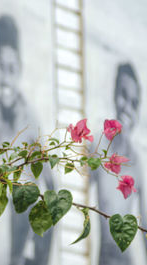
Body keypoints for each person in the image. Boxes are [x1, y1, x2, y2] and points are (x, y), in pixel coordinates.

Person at [0, 15, 53, 265]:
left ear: (20, 69)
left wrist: (40, 254)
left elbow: (51, 186)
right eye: (1, 67)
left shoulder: (30, 118)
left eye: (12, 69)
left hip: (23, 234)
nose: (5, 77)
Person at [96, 63, 145, 265]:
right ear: (114, 95)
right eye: (124, 95)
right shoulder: (98, 149)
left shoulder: (137, 165)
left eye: (135, 103)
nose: (128, 107)